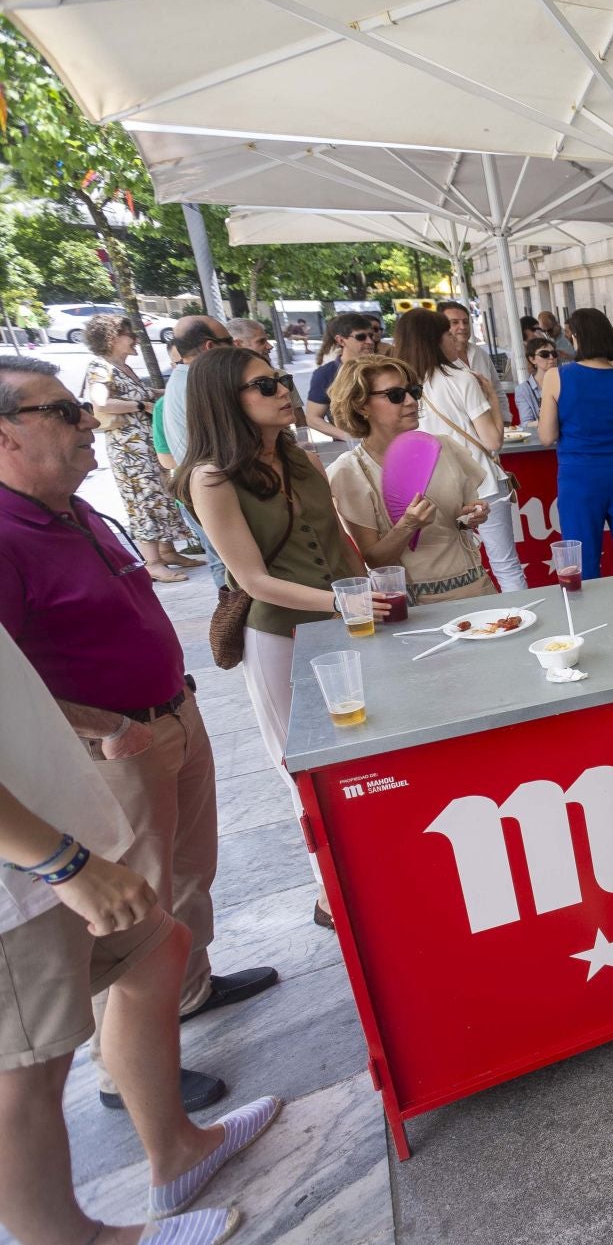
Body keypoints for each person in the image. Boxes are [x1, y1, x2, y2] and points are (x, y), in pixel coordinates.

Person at [0, 352, 281, 1111]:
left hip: (170, 717)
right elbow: (11, 687)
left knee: (187, 873)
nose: (88, 422)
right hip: (109, 751)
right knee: (130, 912)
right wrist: (104, 729)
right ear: (5, 434)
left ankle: (190, 992)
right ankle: (123, 1072)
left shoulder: (77, 509)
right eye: (62, 412)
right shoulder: (6, 532)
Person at [0, 626, 280, 1245]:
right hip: (20, 877)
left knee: (159, 951)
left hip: (51, 827)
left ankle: (179, 1153)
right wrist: (61, 864)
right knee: (27, 1074)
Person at [178, 347, 379, 930]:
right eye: (264, 385)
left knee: (363, 748)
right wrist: (344, 601)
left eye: (282, 379)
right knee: (302, 763)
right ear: (226, 400)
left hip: (345, 621)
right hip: (279, 634)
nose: (283, 391)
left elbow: (339, 544)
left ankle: (370, 865)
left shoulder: (303, 457)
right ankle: (328, 892)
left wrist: (368, 594)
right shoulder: (211, 477)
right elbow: (252, 580)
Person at [326, 355, 497, 606]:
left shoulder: (444, 448)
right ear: (361, 406)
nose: (410, 401)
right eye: (395, 395)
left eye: (414, 391)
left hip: (477, 589)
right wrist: (407, 526)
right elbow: (374, 560)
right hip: (415, 606)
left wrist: (471, 515)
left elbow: (462, 517)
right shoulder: (351, 471)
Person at [397, 307, 527, 591]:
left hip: (433, 489)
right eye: (447, 332)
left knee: (457, 569)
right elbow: (492, 441)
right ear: (434, 339)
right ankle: (520, 614)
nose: (454, 338)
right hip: (482, 483)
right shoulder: (462, 379)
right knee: (505, 564)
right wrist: (492, 397)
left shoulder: (401, 389)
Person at [535, 306, 613, 578]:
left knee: (581, 559)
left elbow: (547, 436)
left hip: (580, 475)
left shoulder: (557, 376)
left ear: (576, 337)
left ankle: (585, 606)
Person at [80, 314, 198, 581]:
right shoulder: (100, 367)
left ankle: (167, 552)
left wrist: (165, 392)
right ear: (112, 338)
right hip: (130, 451)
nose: (135, 339)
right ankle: (152, 563)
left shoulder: (121, 367)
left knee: (160, 494)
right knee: (142, 499)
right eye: (129, 334)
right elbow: (101, 402)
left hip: (145, 446)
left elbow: (142, 393)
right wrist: (141, 405)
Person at [159, 315, 234, 595]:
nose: (236, 348)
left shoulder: (183, 378)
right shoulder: (199, 383)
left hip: (204, 490)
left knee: (225, 563)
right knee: (229, 568)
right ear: (211, 346)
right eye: (230, 342)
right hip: (213, 490)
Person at [302, 315, 381, 443]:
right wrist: (348, 437)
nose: (370, 341)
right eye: (361, 337)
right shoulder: (326, 374)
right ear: (341, 340)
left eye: (371, 336)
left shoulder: (383, 368)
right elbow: (313, 418)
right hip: (353, 448)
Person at [439, 300, 496, 402]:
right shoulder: (436, 361)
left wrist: (503, 413)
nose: (463, 327)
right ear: (441, 327)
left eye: (465, 322)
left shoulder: (480, 353)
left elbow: (497, 389)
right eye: (454, 322)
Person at [514, 340, 558, 426]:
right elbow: (526, 423)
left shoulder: (565, 381)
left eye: (554, 353)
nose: (551, 357)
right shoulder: (523, 389)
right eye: (544, 354)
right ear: (532, 359)